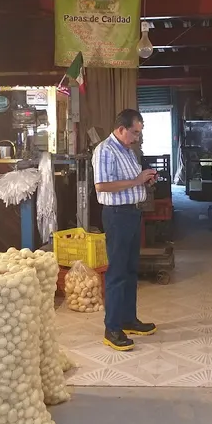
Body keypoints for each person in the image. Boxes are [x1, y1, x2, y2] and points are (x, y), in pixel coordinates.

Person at [92, 109, 158, 351]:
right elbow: (101, 185)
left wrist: (145, 180)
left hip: (132, 213)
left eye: (139, 133)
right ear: (121, 129)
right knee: (117, 272)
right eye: (135, 132)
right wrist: (137, 181)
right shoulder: (105, 151)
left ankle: (128, 319)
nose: (137, 138)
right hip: (117, 216)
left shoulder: (128, 151)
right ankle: (112, 328)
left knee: (131, 270)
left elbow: (133, 180)